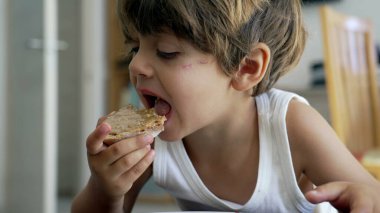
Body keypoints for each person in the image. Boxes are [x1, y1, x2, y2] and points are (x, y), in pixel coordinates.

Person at [72, 0, 380, 212]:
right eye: (135, 47)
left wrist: (366, 198)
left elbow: (370, 195)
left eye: (166, 52)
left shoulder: (291, 126)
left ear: (245, 68)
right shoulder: (151, 142)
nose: (137, 65)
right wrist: (105, 188)